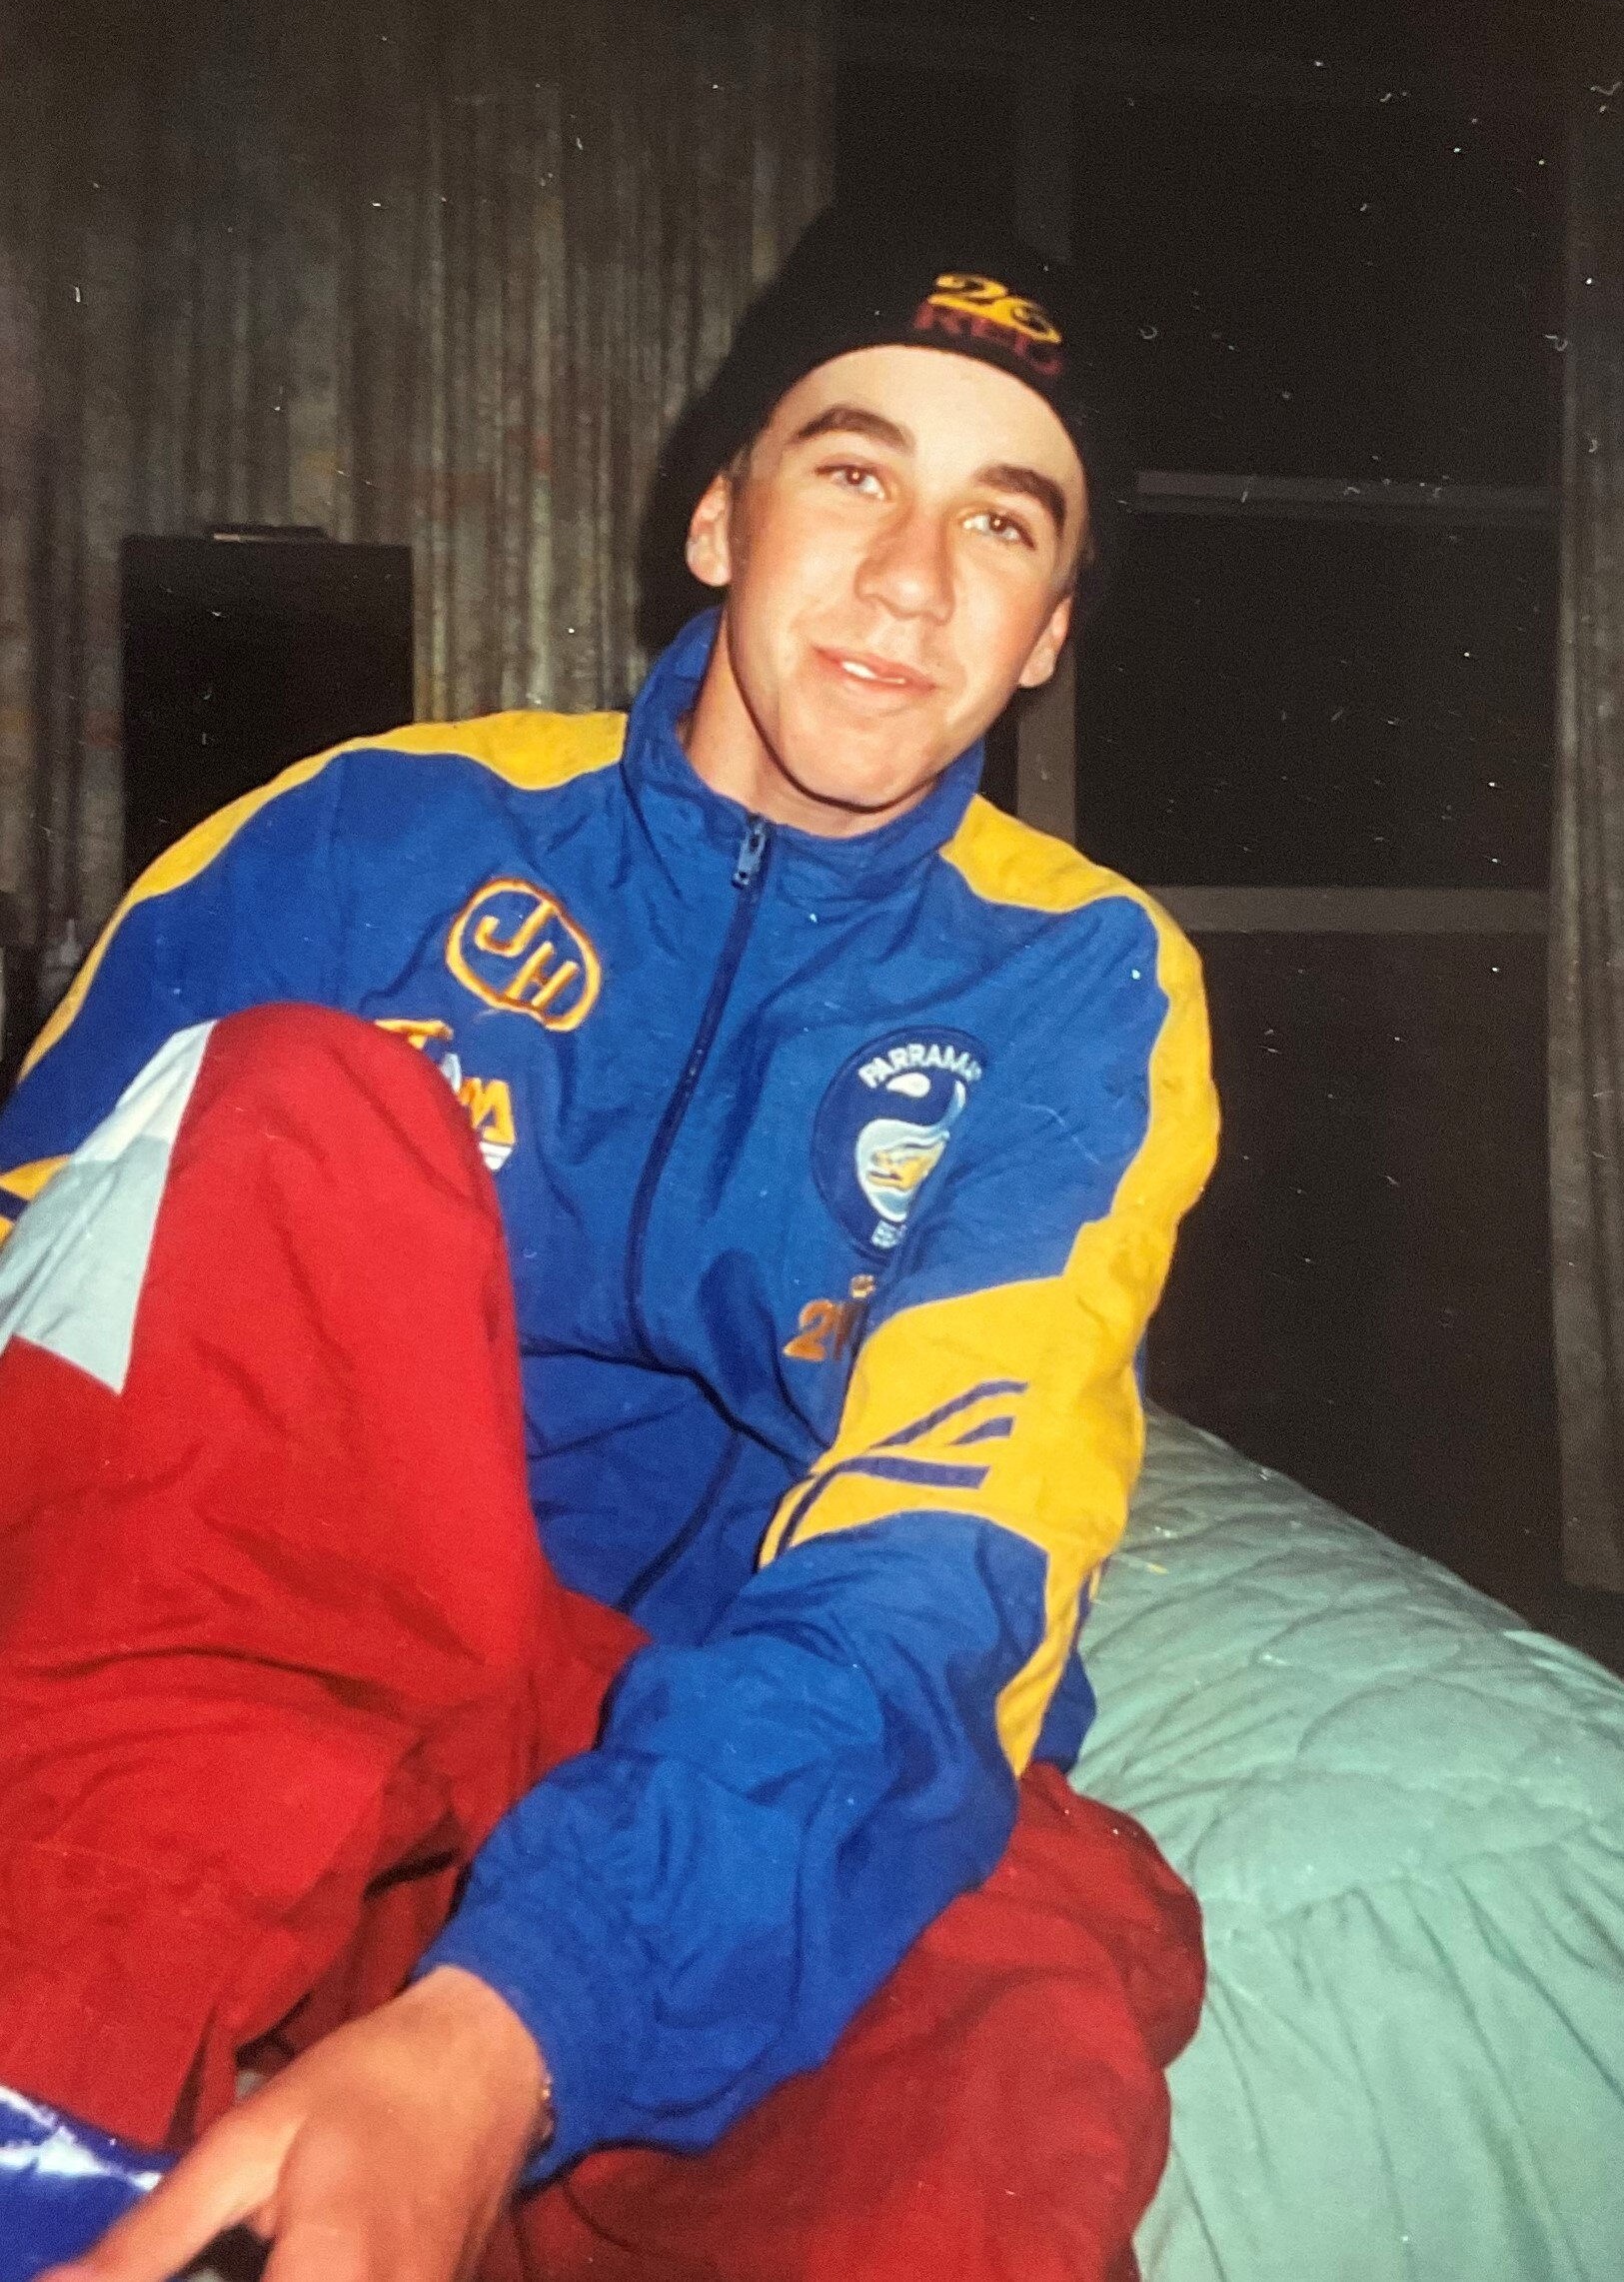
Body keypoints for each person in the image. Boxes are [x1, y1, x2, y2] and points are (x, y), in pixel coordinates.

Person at [0, 210, 1217, 2282]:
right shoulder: (363, 828)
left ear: (1046, 638)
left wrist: (507, 2030)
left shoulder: (1080, 982)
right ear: (721, 519)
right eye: (853, 469)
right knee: (297, 1100)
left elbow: (945, 1551)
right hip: (291, 1670)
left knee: (1036, 1996)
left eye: (1004, 527)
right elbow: (58, 1301)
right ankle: (64, 2126)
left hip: (713, 1739)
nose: (914, 578)